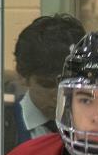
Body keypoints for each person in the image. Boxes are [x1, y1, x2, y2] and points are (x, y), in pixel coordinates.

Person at [12, 13, 85, 145]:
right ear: (22, 76)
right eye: (48, 84)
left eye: (70, 84)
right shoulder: (2, 126)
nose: (59, 95)